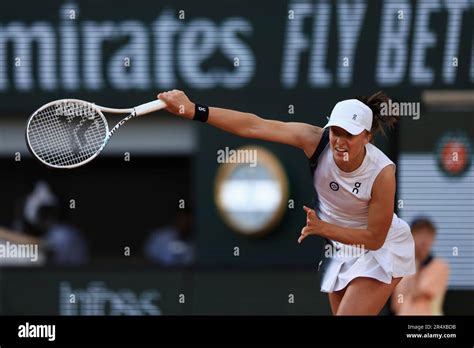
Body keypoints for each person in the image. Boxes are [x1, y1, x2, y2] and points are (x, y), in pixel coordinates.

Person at [157, 89, 416, 315]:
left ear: (367, 137)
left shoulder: (382, 173)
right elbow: (253, 125)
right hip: (341, 248)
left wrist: (325, 229)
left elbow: (374, 238)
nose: (339, 140)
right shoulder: (315, 140)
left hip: (380, 249)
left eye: (349, 134)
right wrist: (195, 111)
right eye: (336, 131)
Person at [390, 218, 449, 315]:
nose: (424, 239)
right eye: (419, 233)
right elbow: (396, 304)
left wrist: (417, 261)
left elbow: (416, 293)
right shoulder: (400, 265)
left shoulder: (440, 266)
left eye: (428, 234)